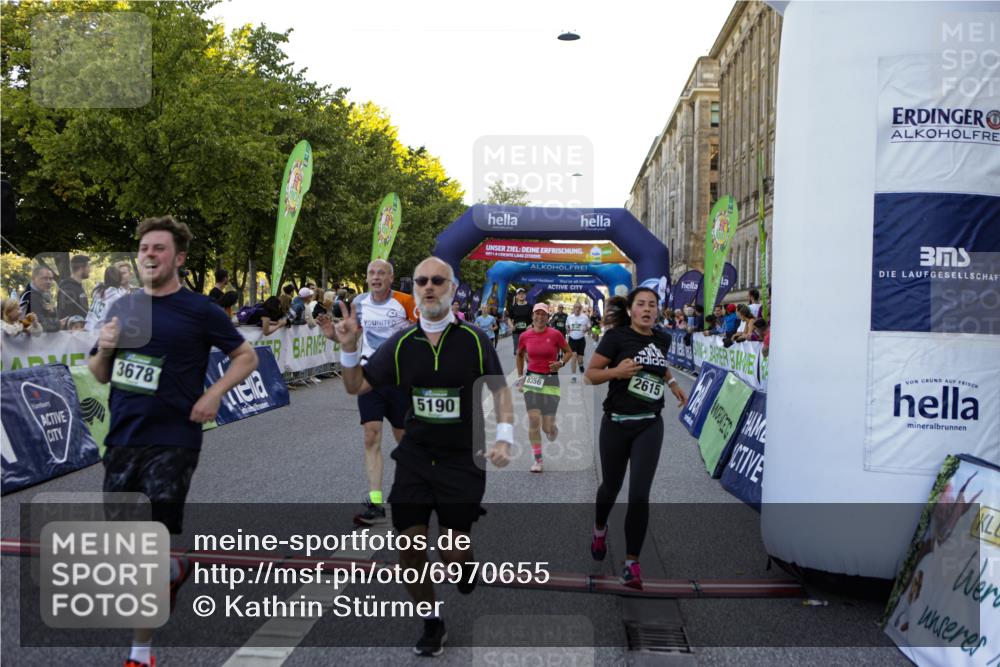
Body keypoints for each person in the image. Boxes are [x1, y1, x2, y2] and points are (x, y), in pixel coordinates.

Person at [318, 256, 512, 657]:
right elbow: (357, 387)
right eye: (421, 281)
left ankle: (465, 562)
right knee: (409, 547)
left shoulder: (475, 340)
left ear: (452, 289)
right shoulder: (402, 344)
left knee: (453, 551)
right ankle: (431, 621)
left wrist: (505, 439)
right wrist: (350, 348)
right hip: (416, 457)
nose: (428, 287)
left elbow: (500, 391)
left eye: (437, 281)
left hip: (462, 459)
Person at [87, 216, 258, 667]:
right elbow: (100, 373)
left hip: (174, 438)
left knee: (147, 541)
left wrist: (213, 394)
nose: (148, 255)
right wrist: (105, 348)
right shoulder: (121, 308)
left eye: (158, 248)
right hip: (123, 435)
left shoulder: (199, 310)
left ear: (179, 258)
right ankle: (173, 570)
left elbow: (247, 355)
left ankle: (139, 653)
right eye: (143, 248)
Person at [584, 287, 688, 590]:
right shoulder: (616, 337)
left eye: (652, 305)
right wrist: (617, 371)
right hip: (616, 423)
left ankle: (631, 563)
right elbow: (591, 374)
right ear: (630, 310)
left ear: (657, 311)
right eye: (641, 304)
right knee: (610, 488)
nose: (646, 309)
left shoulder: (663, 338)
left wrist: (670, 383)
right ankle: (599, 528)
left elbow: (658, 362)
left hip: (649, 425)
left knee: (639, 494)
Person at [350, 259, 417, 526]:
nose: (375, 277)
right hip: (369, 377)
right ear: (366, 278)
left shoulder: (406, 301)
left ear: (391, 278)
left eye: (381, 273)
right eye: (371, 273)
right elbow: (352, 337)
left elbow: (425, 331)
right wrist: (333, 334)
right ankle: (376, 503)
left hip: (400, 379)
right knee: (370, 435)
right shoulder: (359, 303)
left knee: (404, 441)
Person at [515, 302, 573, 472]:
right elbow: (519, 355)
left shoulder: (555, 334)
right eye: (537, 314)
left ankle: (552, 428)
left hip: (550, 381)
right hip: (532, 379)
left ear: (548, 318)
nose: (540, 317)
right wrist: (520, 377)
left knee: (546, 427)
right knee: (533, 419)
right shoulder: (525, 336)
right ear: (532, 316)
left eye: (543, 314)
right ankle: (538, 460)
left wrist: (561, 363)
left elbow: (568, 351)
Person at [18, 264, 61, 332]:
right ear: (33, 278)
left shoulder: (41, 296)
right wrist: (60, 324)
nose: (49, 282)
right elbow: (42, 325)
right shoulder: (31, 296)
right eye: (45, 278)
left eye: (51, 279)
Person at [86, 265, 128, 331]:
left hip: (88, 328)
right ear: (119, 278)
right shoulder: (117, 298)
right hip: (99, 333)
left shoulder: (98, 290)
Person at [57, 254, 91, 321]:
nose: (90, 270)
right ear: (81, 268)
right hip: (73, 330)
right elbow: (65, 316)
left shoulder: (77, 286)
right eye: (88, 267)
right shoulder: (68, 289)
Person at [565, 302, 590, 376]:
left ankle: (581, 365)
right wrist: (567, 329)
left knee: (580, 359)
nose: (577, 309)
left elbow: (589, 326)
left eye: (579, 307)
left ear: (581, 309)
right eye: (576, 307)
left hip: (581, 340)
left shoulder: (585, 317)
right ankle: (574, 376)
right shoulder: (569, 317)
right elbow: (567, 325)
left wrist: (586, 329)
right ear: (573, 308)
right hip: (572, 339)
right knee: (574, 357)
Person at [506, 288, 533, 357]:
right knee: (518, 353)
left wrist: (531, 325)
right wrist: (511, 326)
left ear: (525, 295)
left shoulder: (530, 307)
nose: (521, 295)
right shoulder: (513, 307)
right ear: (517, 296)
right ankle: (520, 367)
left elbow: (535, 318)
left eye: (523, 294)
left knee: (528, 352)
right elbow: (509, 318)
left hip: (528, 332)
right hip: (516, 332)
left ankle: (528, 367)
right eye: (519, 294)